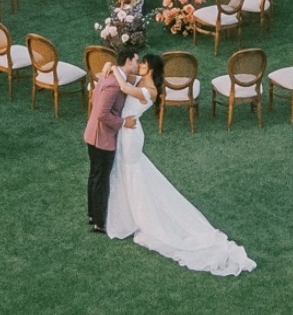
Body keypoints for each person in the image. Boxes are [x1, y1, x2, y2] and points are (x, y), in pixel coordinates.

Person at [105, 54, 257, 276]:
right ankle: (130, 211)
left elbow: (125, 90)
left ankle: (140, 216)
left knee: (132, 173)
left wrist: (113, 71)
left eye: (144, 63)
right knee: (130, 173)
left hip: (131, 135)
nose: (140, 65)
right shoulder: (140, 80)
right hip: (126, 131)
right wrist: (113, 68)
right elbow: (126, 83)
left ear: (151, 69)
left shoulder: (151, 91)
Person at [83, 48, 139, 234]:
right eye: (136, 61)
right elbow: (102, 114)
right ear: (129, 61)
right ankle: (99, 221)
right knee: (101, 178)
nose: (138, 65)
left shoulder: (111, 76)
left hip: (93, 135)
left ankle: (93, 214)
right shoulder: (114, 84)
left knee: (95, 176)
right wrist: (124, 122)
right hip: (102, 138)